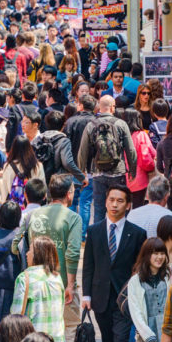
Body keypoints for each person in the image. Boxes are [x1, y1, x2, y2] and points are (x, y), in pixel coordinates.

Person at [12, 174, 82, 341]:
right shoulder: (73, 218)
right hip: (63, 286)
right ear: (69, 193)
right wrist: (70, 285)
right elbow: (72, 253)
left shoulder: (32, 215)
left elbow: (15, 245)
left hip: (34, 284)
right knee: (68, 330)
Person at [81, 184, 146, 342]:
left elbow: (140, 267)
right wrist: (86, 295)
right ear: (105, 202)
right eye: (111, 200)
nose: (115, 205)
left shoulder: (138, 233)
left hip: (125, 297)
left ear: (128, 205)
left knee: (121, 338)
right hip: (100, 296)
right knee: (106, 337)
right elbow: (89, 265)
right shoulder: (94, 231)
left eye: (120, 201)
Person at [77, 95, 137, 225]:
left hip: (98, 172)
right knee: (120, 206)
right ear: (111, 107)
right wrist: (132, 170)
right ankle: (120, 236)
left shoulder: (91, 125)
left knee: (99, 209)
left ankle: (100, 240)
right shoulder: (121, 124)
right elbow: (131, 150)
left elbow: (83, 151)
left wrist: (82, 171)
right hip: (118, 172)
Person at [10, 236, 65, 342]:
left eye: (30, 250)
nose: (26, 254)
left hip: (34, 339)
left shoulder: (24, 278)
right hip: (57, 339)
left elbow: (16, 314)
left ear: (38, 254)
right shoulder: (57, 278)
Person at [126, 237, 172, 342]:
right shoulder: (135, 281)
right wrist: (148, 335)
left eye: (162, 253)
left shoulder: (171, 274)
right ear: (147, 255)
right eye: (155, 253)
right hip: (147, 330)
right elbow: (136, 312)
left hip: (169, 329)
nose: (160, 257)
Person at [64, 94, 96, 239]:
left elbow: (65, 145)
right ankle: (82, 235)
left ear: (81, 105)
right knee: (85, 202)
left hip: (73, 167)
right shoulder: (97, 121)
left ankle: (71, 234)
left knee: (71, 200)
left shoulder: (71, 121)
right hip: (91, 168)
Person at [0, 135, 45, 205]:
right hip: (33, 205)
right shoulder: (38, 166)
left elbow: (4, 191)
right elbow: (42, 187)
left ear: (14, 148)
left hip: (14, 207)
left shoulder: (7, 166)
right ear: (29, 148)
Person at [43, 111, 87, 187]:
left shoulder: (39, 139)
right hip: (58, 181)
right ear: (63, 125)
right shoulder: (63, 141)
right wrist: (81, 177)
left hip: (40, 179)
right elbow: (67, 163)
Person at [124, 108, 156, 207]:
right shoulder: (141, 135)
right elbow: (149, 155)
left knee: (124, 208)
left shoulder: (121, 134)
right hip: (139, 178)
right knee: (138, 208)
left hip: (122, 177)